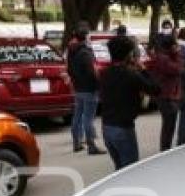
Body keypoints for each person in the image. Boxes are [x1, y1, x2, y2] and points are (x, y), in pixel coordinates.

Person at [99, 36, 161, 170]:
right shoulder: (131, 74)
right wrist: (144, 70)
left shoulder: (104, 73)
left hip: (107, 127)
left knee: (119, 169)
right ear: (129, 54)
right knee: (130, 171)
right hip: (123, 128)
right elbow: (155, 89)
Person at [67, 22, 104, 155]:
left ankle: (76, 143)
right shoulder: (85, 52)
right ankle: (91, 145)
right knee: (88, 118)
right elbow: (92, 71)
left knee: (77, 115)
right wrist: (99, 85)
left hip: (78, 87)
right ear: (85, 36)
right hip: (89, 88)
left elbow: (69, 69)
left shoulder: (71, 50)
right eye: (89, 35)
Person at [151, 34, 185, 151]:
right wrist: (178, 54)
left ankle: (165, 148)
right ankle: (165, 149)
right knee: (169, 126)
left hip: (167, 95)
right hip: (167, 96)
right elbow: (179, 69)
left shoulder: (163, 56)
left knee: (168, 125)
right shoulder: (163, 58)